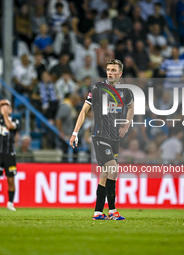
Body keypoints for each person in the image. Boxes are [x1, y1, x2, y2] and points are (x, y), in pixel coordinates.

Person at [69, 59, 134, 220]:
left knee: (105, 174)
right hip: (100, 136)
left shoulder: (126, 91)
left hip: (114, 138)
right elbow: (84, 110)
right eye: (108, 69)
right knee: (113, 170)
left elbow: (132, 108)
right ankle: (112, 211)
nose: (110, 72)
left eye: (114, 70)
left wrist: (125, 126)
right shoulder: (97, 88)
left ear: (120, 73)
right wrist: (75, 133)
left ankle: (98, 212)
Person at [0, 100, 20, 211]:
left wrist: (4, 113)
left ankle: (10, 203)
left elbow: (9, 126)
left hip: (9, 154)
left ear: (11, 110)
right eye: (3, 107)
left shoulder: (16, 121)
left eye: (7, 107)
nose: (5, 108)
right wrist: (1, 102)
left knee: (11, 180)